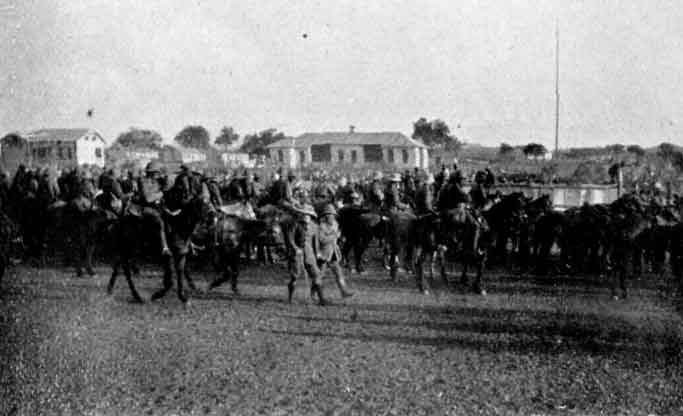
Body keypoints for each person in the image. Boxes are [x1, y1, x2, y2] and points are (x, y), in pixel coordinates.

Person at [287, 204, 327, 306]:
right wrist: (296, 248)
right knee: (295, 276)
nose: (305, 216)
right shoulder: (295, 224)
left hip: (309, 253)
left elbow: (315, 241)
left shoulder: (315, 226)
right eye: (303, 214)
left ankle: (320, 298)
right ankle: (290, 298)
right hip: (297, 253)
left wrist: (318, 253)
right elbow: (290, 238)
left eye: (307, 214)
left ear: (311, 215)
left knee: (317, 274)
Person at [317, 204, 354, 298]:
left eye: (332, 214)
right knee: (320, 275)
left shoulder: (335, 224)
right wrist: (334, 236)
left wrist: (340, 238)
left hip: (333, 252)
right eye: (329, 214)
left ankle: (344, 291)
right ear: (325, 216)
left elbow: (336, 237)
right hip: (324, 253)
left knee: (338, 272)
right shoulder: (322, 226)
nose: (331, 216)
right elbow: (322, 239)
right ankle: (315, 293)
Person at [135, 161, 170, 257]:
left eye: (158, 172)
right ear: (151, 173)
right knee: (159, 221)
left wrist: (166, 178)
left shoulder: (158, 181)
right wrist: (161, 194)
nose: (158, 174)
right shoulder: (143, 181)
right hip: (145, 208)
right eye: (157, 172)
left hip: (158, 207)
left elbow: (167, 189)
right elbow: (148, 198)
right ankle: (164, 247)